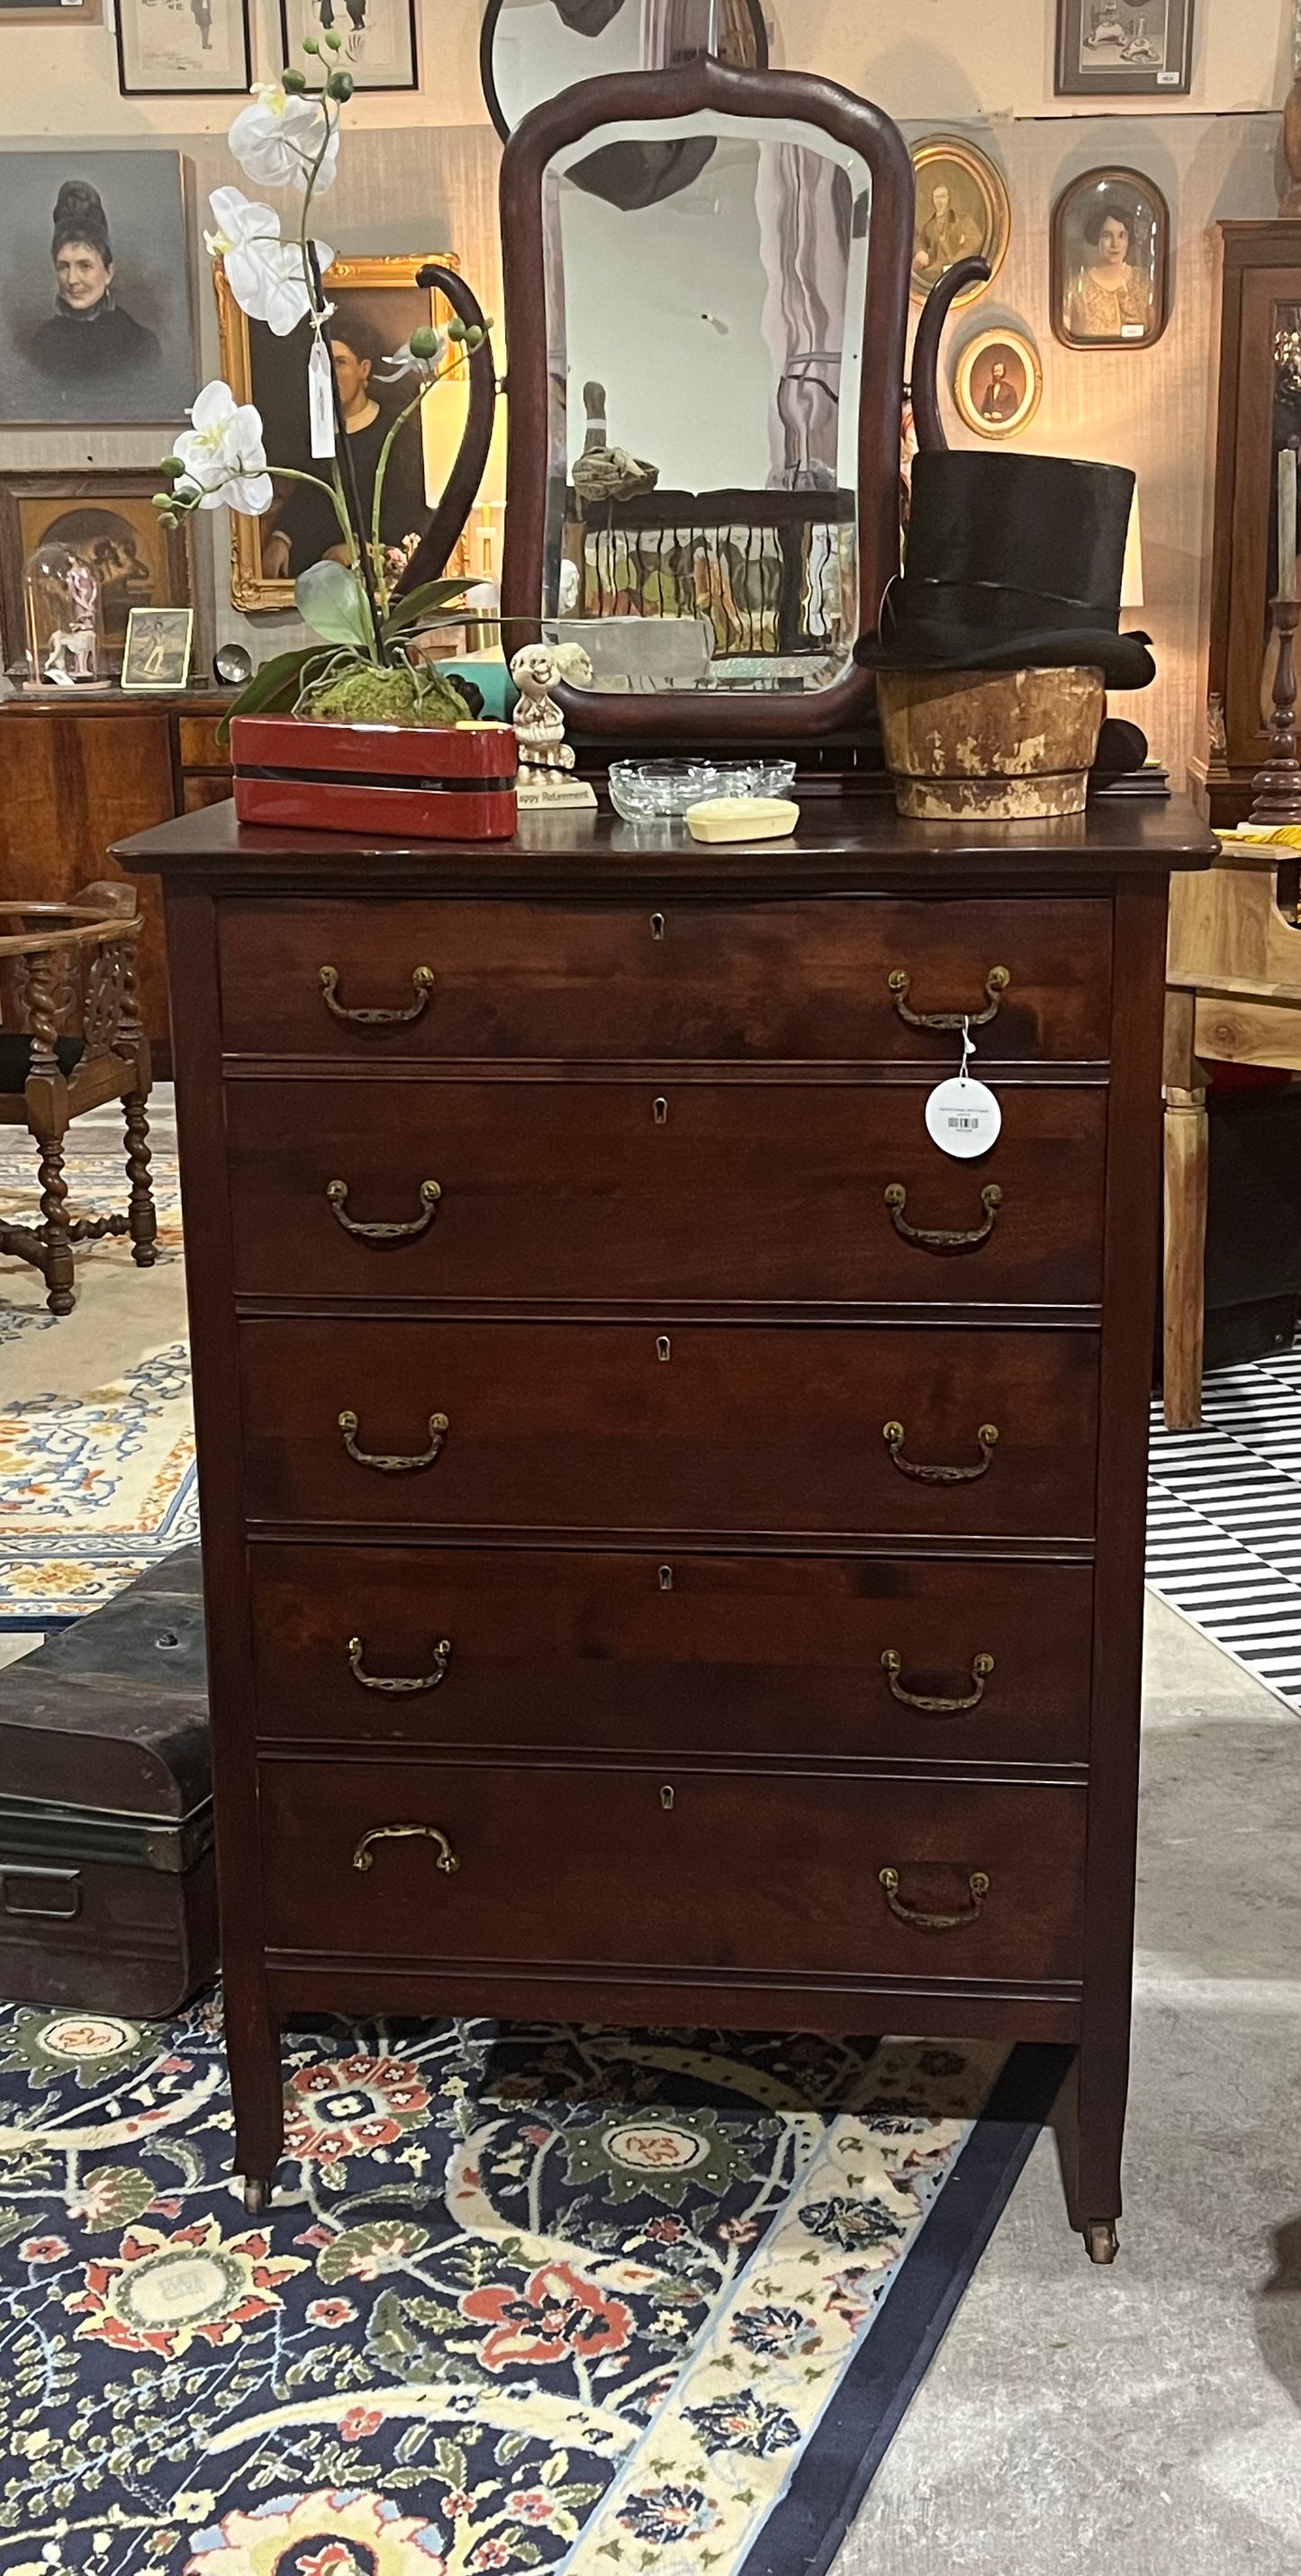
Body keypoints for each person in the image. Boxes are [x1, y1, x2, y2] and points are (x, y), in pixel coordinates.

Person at [261, 315, 429, 580]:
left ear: (364, 369)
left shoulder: (396, 433)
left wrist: (362, 552)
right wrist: (282, 538)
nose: (330, 375)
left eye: (340, 363)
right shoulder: (316, 434)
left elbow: (408, 512)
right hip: (315, 573)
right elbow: (308, 499)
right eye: (324, 365)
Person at [29, 181, 163, 386]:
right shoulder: (42, 344)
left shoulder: (139, 344)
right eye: (64, 266)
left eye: (85, 266)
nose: (72, 280)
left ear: (108, 272)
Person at [1066, 198, 1152, 339]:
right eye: (1107, 236)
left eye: (1121, 236)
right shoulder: (1077, 288)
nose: (1115, 244)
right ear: (1097, 238)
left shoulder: (1143, 281)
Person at [912, 180, 981, 293]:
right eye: (936, 197)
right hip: (936, 273)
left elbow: (976, 240)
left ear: (949, 198)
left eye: (942, 197)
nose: (939, 201)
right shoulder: (929, 226)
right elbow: (921, 242)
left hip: (959, 270)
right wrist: (921, 251)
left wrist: (956, 261)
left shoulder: (962, 220)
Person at [978, 357, 1020, 424]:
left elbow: (1013, 409)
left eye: (999, 371)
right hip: (989, 423)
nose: (997, 374)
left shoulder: (1010, 389)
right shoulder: (989, 388)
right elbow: (984, 407)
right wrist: (985, 413)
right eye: (995, 371)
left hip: (1004, 423)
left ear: (1004, 373)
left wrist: (1001, 415)